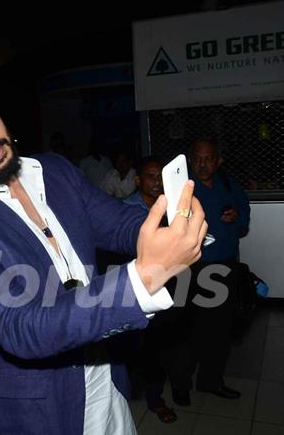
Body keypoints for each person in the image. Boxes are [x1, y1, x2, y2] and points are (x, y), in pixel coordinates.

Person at [0, 63, 208, 434]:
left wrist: (174, 222)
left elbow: (118, 224)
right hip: (37, 412)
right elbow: (22, 326)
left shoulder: (54, 170)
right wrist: (144, 278)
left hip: (106, 383)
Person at [167, 139, 251, 406]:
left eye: (208, 159)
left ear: (218, 161)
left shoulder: (227, 183)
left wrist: (237, 215)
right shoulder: (183, 189)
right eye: (197, 159)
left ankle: (211, 382)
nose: (202, 165)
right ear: (191, 160)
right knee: (186, 331)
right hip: (189, 269)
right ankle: (181, 385)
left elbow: (244, 211)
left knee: (219, 332)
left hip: (223, 267)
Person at [123, 157, 177, 423]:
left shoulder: (172, 207)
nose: (156, 182)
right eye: (151, 176)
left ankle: (156, 401)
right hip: (133, 289)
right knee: (131, 348)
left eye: (160, 178)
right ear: (138, 180)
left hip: (165, 285)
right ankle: (125, 394)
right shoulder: (123, 209)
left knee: (158, 348)